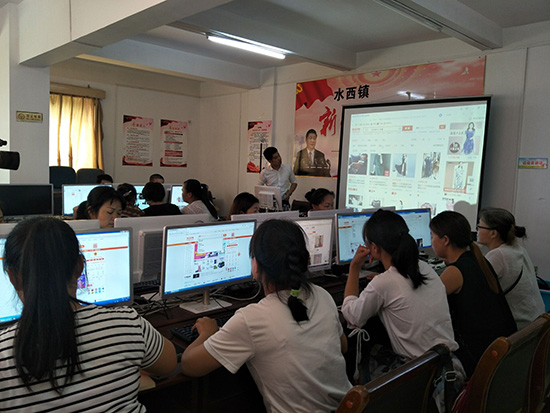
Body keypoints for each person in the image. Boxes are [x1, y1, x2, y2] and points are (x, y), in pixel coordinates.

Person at [0, 217, 176, 411]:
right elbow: (169, 365)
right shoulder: (128, 323)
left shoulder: (3, 352)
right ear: (80, 266)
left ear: (12, 277)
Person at [180, 219, 351, 411]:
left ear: (256, 266)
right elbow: (343, 346)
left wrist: (207, 333)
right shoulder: (322, 295)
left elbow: (189, 365)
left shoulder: (251, 319)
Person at [341, 210, 458, 374]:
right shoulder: (425, 267)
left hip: (418, 373)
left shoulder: (384, 283)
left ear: (374, 247)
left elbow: (352, 317)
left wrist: (354, 268)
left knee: (364, 356)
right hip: (448, 364)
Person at [430, 211, 517, 376]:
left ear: (445, 240)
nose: (431, 241)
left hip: (477, 357)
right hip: (499, 351)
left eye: (432, 236)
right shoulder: (478, 260)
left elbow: (424, 302)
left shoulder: (455, 272)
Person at [477, 207, 545, 329]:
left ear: (493, 233)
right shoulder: (517, 248)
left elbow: (475, 288)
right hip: (535, 322)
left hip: (518, 326)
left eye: (480, 227)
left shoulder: (499, 255)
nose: (477, 230)